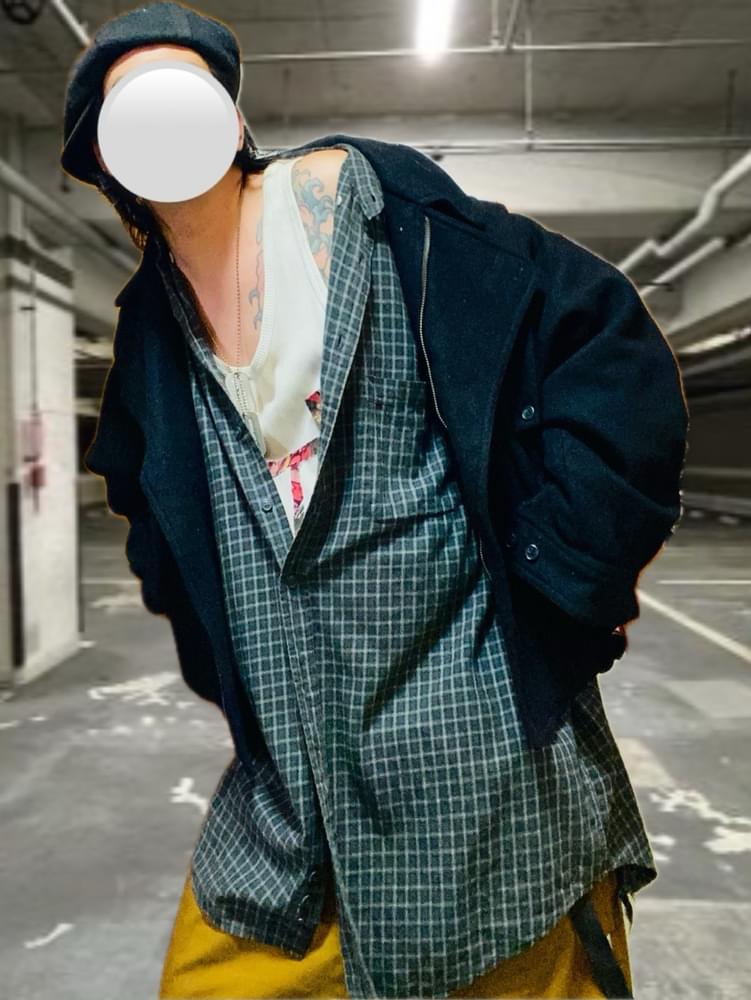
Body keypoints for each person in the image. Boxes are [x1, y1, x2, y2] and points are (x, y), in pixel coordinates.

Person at [61, 3, 689, 998]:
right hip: (291, 810)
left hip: (488, 788)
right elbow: (146, 499)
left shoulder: (379, 213)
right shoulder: (149, 332)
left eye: (187, 88)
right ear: (103, 156)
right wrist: (225, 660)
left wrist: (562, 584)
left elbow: (604, 346)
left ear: (232, 119)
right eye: (133, 103)